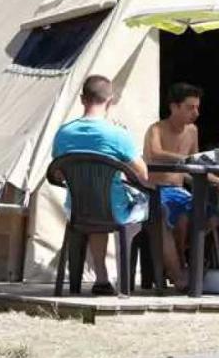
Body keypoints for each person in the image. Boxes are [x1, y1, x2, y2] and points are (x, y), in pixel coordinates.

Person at [143, 82, 219, 290]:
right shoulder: (156, 129)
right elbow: (156, 154)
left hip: (180, 191)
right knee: (176, 217)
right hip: (158, 191)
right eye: (190, 107)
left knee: (211, 215)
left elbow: (195, 170)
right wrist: (187, 159)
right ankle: (179, 272)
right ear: (174, 107)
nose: (196, 112)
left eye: (197, 107)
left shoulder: (192, 131)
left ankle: (186, 264)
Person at [52, 74, 150, 296]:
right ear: (111, 100)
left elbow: (58, 172)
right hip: (114, 211)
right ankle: (132, 277)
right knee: (148, 209)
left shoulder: (63, 133)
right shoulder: (118, 134)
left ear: (81, 99)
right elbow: (143, 174)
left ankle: (102, 278)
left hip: (78, 209)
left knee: (97, 212)